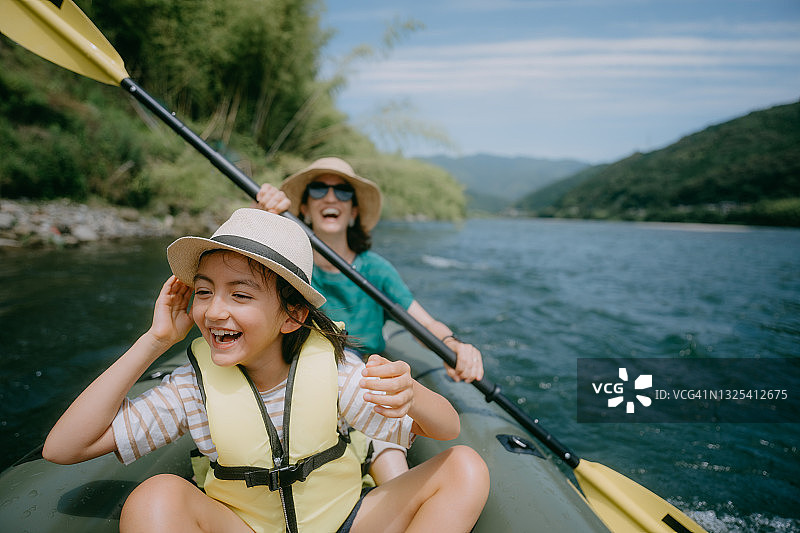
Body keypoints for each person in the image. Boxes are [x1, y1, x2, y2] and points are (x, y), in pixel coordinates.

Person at [42, 208, 490, 533]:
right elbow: (63, 448)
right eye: (204, 291)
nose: (215, 311)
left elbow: (447, 429)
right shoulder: (190, 389)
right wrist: (155, 341)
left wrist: (413, 394)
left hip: (345, 523)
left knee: (465, 467)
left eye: (240, 295)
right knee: (155, 496)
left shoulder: (334, 371)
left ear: (292, 316)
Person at [257, 157, 485, 483]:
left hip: (366, 386)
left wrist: (452, 345)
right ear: (304, 208)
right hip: (300, 381)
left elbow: (424, 324)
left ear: (354, 212)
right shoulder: (288, 265)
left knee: (389, 457)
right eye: (319, 189)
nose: (331, 197)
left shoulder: (375, 269)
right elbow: (237, 277)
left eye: (343, 192)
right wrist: (264, 219)